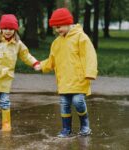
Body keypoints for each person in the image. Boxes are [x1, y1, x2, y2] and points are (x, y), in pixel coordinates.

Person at [39, 8, 98, 137]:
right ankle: (66, 129)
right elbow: (52, 60)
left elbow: (90, 55)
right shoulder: (56, 43)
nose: (57, 30)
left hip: (79, 78)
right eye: (55, 27)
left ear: (68, 23)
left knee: (78, 101)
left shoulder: (80, 37)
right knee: (64, 104)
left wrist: (90, 72)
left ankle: (85, 125)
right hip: (64, 80)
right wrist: (42, 65)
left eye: (59, 26)